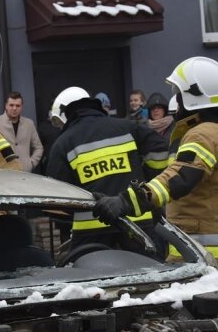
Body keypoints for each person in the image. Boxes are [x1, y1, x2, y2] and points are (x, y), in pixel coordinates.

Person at [94, 56, 218, 291]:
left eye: (178, 93)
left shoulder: (203, 134)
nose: (175, 100)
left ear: (193, 95)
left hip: (204, 257)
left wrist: (128, 201)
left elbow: (180, 178)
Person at [46, 86, 168, 255]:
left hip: (91, 232)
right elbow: (160, 149)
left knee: (94, 279)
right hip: (137, 222)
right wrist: (149, 180)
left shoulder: (62, 144)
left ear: (67, 113)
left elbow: (58, 195)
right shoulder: (127, 126)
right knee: (149, 275)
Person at [0, 92, 43, 172]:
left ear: (22, 107)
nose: (14, 108)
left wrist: (31, 163)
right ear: (6, 106)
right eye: (11, 105)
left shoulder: (29, 123)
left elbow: (38, 147)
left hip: (25, 171)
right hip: (4, 172)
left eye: (18, 106)